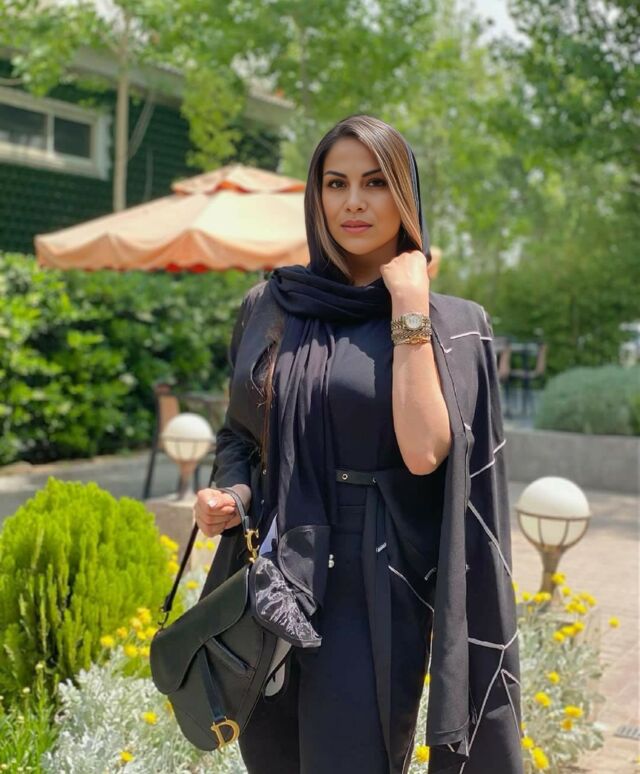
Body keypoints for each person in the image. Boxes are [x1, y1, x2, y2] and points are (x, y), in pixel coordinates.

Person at [194, 115, 523, 774]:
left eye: (374, 183)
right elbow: (241, 434)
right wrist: (231, 492)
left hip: (377, 578)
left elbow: (425, 452)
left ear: (405, 195)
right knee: (270, 757)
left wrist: (408, 305)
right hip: (275, 569)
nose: (353, 202)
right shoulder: (272, 305)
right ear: (315, 196)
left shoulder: (451, 322)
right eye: (335, 183)